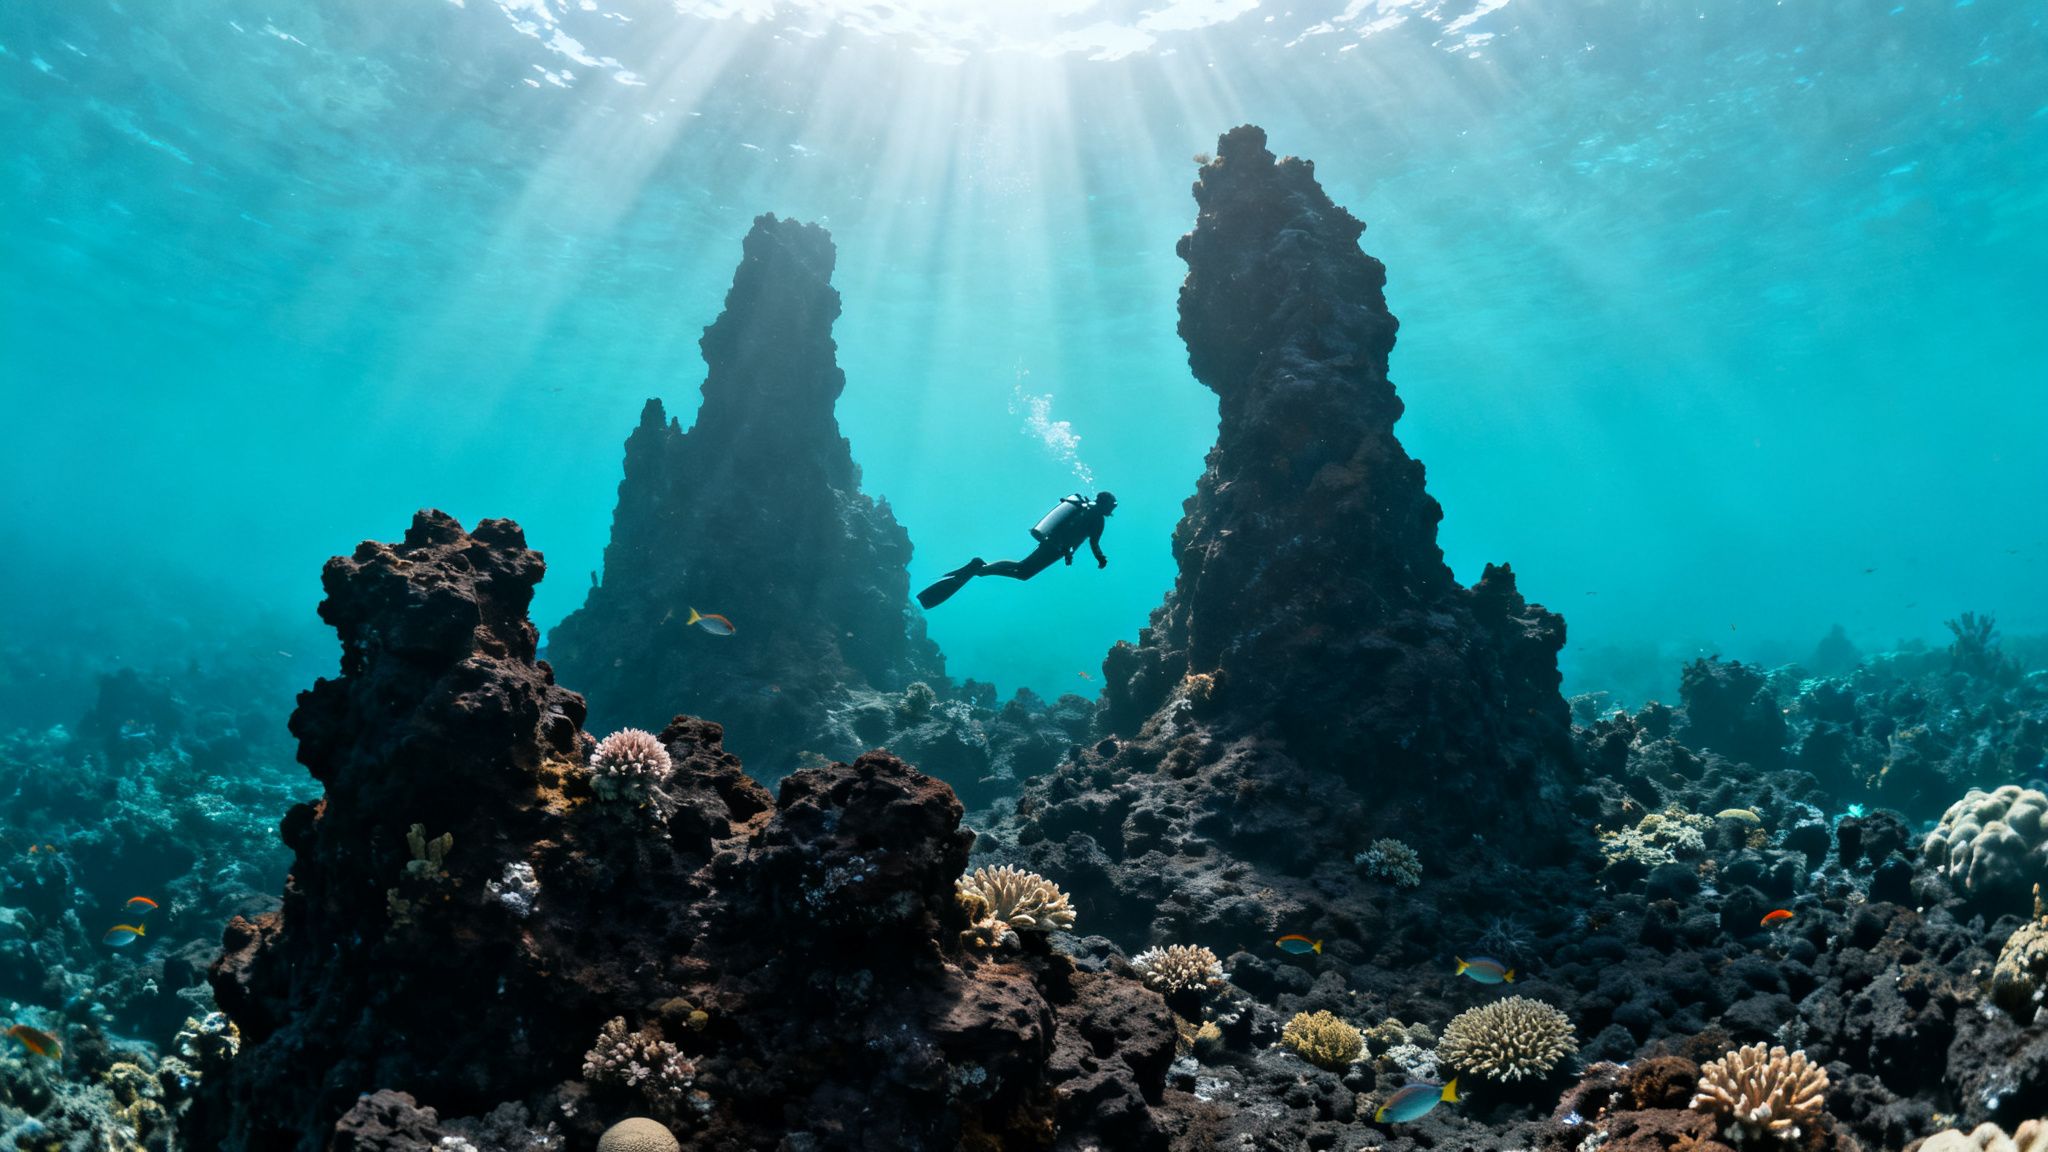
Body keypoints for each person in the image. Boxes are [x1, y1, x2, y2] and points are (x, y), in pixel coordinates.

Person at [917, 491, 1116, 609]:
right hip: (1055, 548)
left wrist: (1067, 552)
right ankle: (981, 568)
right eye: (1112, 505)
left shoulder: (1085, 509)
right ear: (1105, 504)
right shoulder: (1096, 519)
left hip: (1052, 544)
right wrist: (1101, 559)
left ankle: (983, 569)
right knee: (1024, 573)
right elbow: (1092, 542)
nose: (1112, 509)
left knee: (1022, 568)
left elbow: (1072, 532)